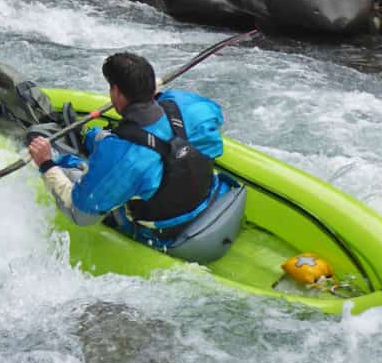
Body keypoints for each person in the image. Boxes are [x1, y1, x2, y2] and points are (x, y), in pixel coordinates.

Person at [27, 52, 234, 249]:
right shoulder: (185, 103)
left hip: (167, 232)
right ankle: (88, 136)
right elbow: (213, 117)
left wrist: (46, 164)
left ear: (116, 92)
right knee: (113, 141)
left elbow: (80, 214)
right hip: (212, 197)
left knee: (69, 166)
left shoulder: (123, 157)